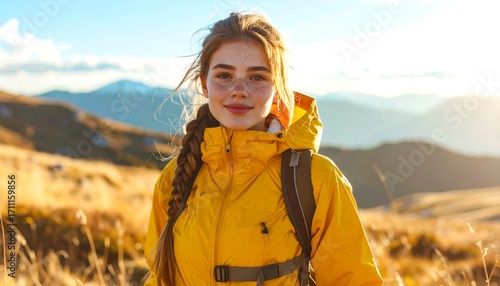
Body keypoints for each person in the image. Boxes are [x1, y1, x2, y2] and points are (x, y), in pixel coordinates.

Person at [144, 12, 383, 286]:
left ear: (278, 88)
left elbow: (353, 280)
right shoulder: (177, 175)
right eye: (224, 75)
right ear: (204, 85)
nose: (239, 90)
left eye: (257, 77)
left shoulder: (316, 178)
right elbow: (159, 277)